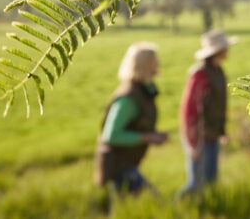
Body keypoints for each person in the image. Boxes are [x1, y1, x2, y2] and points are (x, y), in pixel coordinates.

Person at [95, 42, 168, 193]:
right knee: (151, 201)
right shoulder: (128, 97)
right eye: (155, 60)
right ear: (145, 64)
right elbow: (111, 136)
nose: (158, 63)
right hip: (117, 166)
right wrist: (147, 137)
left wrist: (153, 135)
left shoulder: (143, 90)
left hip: (126, 163)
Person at [178, 29, 238, 195]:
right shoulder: (199, 74)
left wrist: (222, 131)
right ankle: (176, 207)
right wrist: (192, 143)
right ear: (218, 51)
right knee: (196, 183)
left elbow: (219, 105)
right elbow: (189, 110)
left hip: (211, 134)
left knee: (211, 181)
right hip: (199, 136)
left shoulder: (218, 71)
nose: (228, 50)